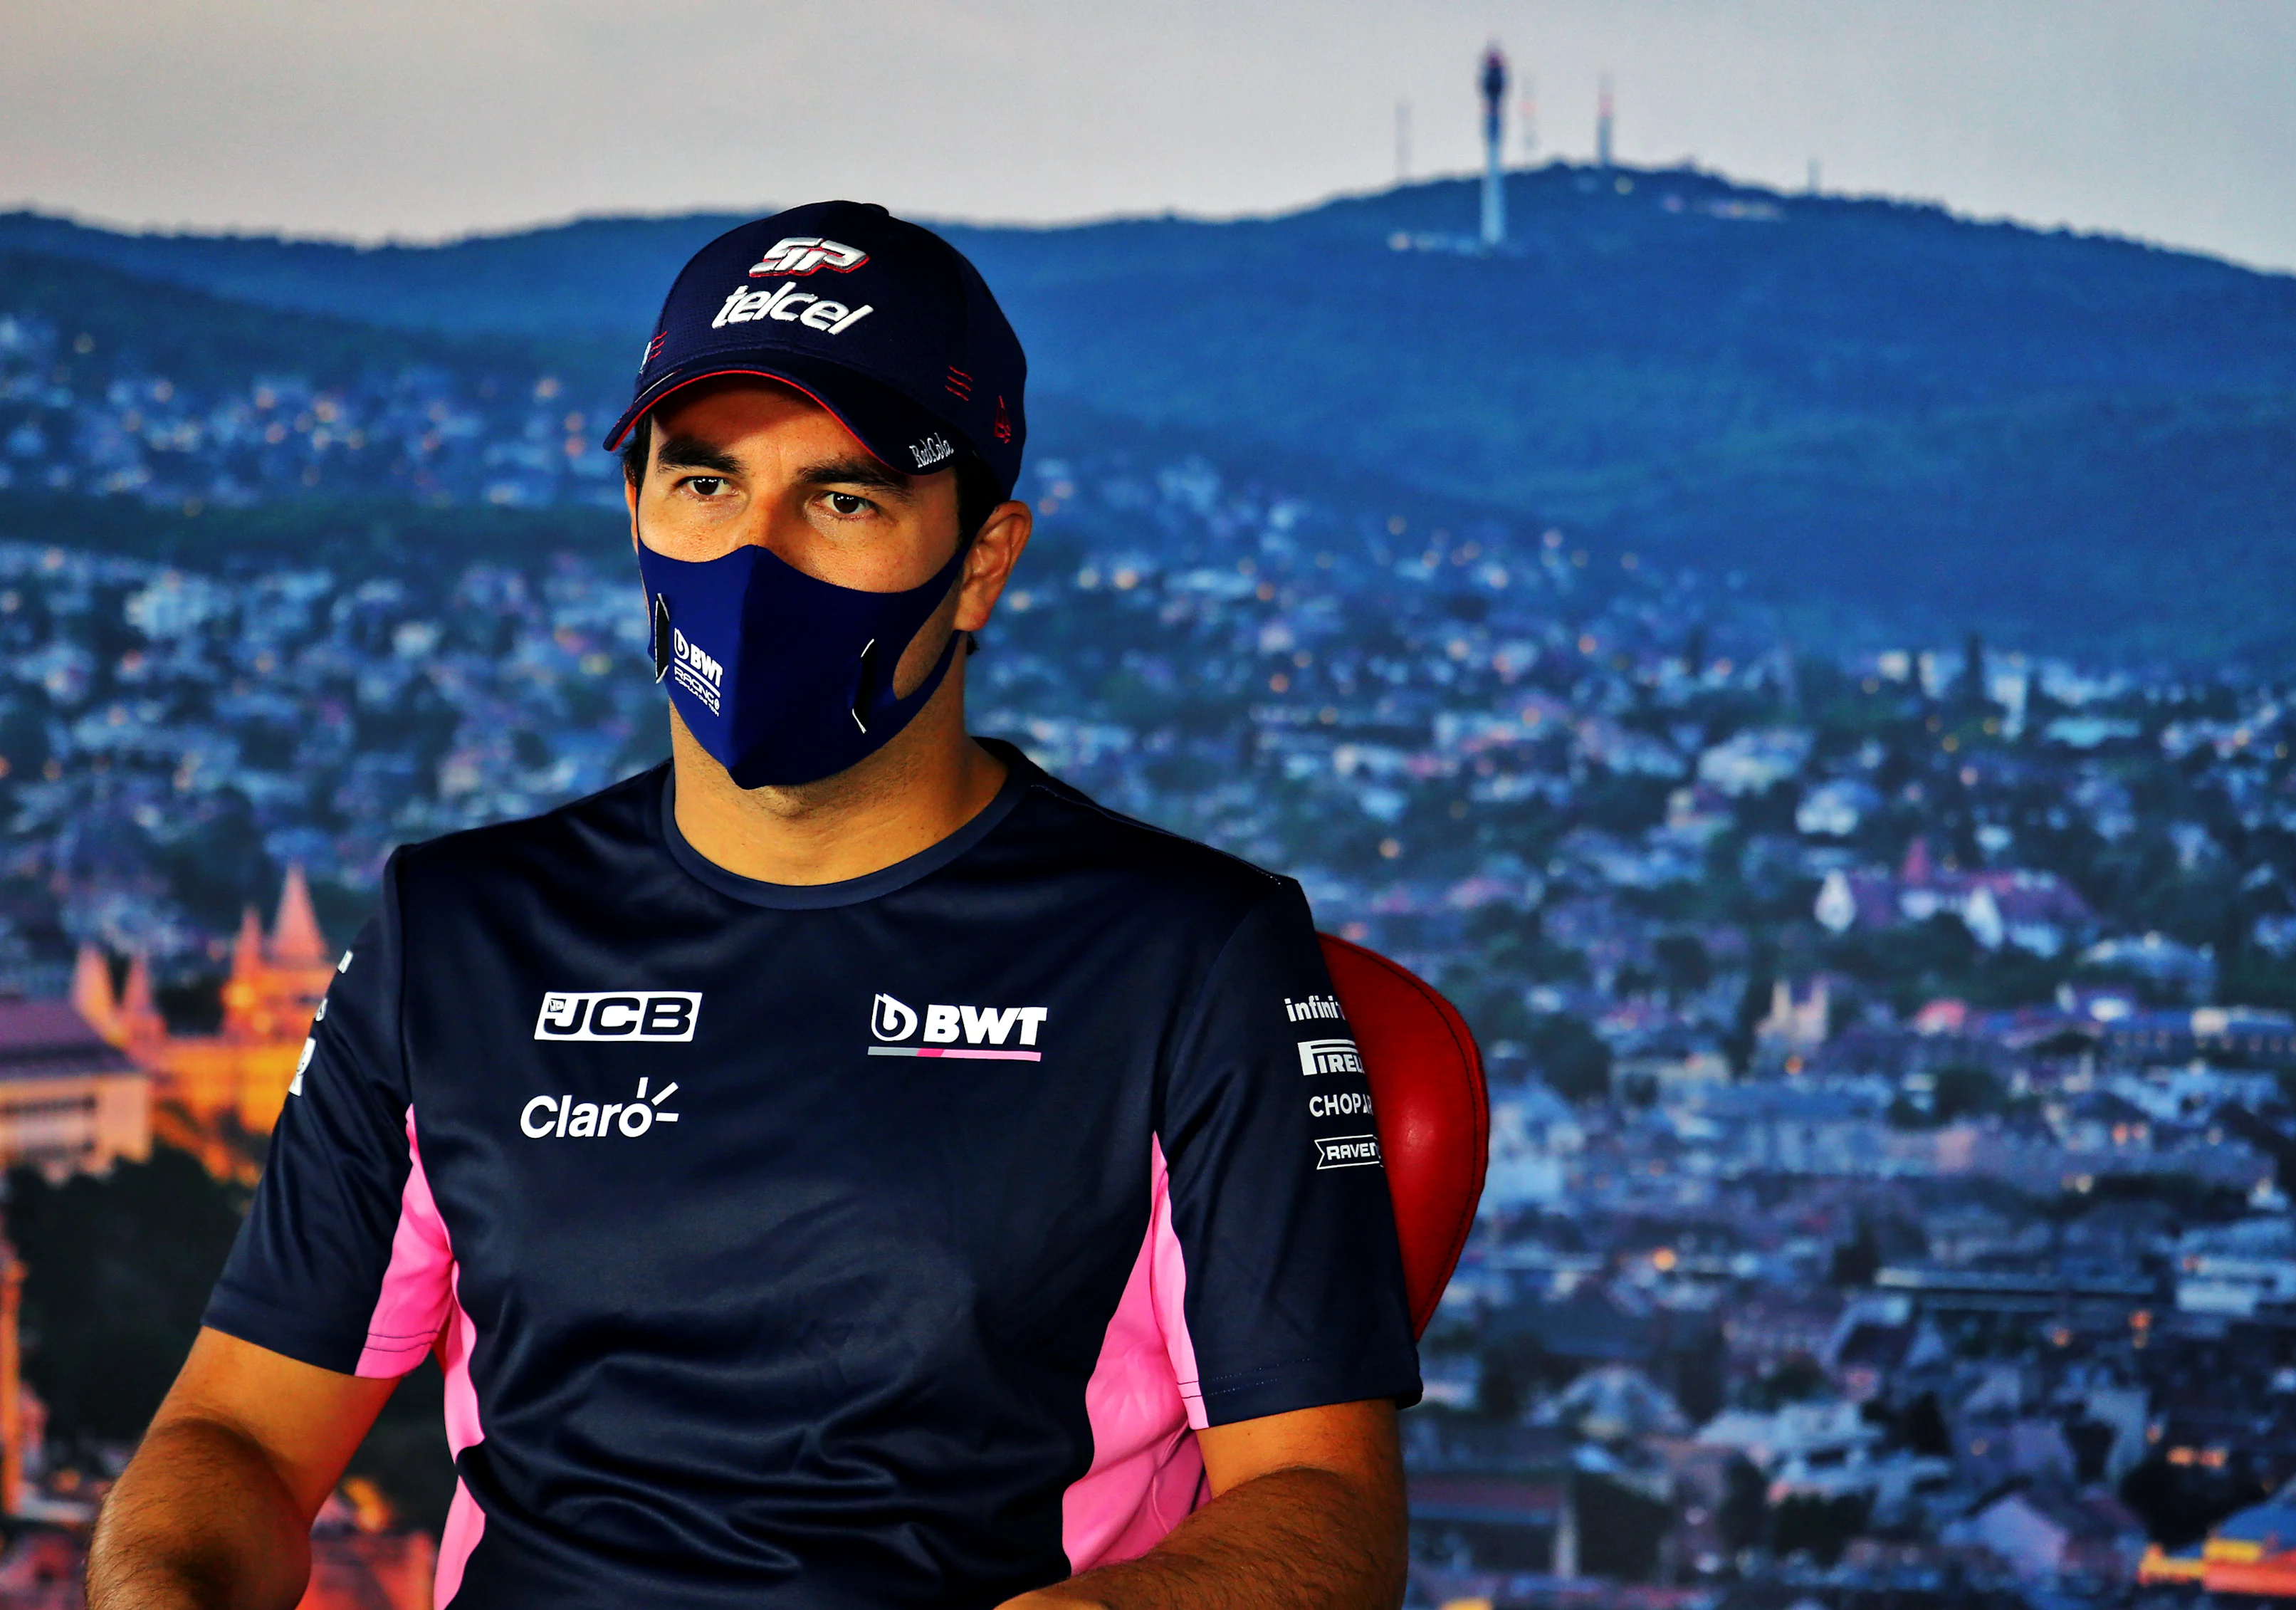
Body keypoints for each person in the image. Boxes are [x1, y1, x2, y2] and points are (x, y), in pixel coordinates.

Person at [88, 201, 1420, 1610]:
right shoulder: (456, 932)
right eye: (706, 484)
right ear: (637, 507)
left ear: (980, 558)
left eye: (841, 499)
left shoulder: (1187, 957)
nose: (752, 556)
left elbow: (1322, 1504)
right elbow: (235, 1429)